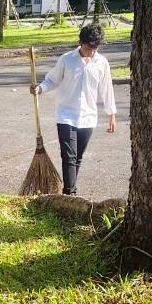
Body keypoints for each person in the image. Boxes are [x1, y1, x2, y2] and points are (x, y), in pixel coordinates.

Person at [29, 23, 117, 196]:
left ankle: (68, 191)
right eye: (88, 48)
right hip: (66, 115)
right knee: (68, 156)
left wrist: (111, 114)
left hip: (88, 117)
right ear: (80, 43)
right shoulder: (66, 60)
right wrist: (40, 88)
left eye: (95, 49)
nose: (91, 53)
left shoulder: (102, 63)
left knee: (77, 157)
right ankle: (71, 193)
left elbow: (107, 89)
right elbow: (52, 80)